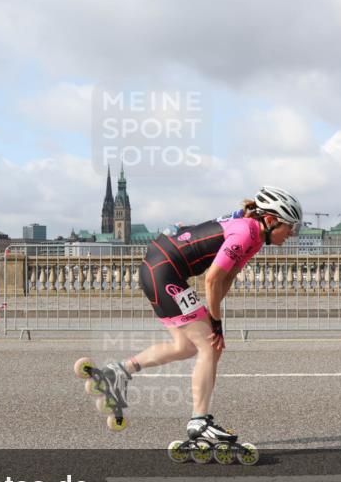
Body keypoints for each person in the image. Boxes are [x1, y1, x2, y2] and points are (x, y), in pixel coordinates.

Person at [101, 186, 303, 454]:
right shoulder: (245, 232)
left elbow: (227, 277)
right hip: (164, 271)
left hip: (163, 269)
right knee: (210, 345)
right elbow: (211, 279)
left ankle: (119, 371)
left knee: (186, 346)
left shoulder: (254, 236)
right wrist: (216, 324)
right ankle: (199, 422)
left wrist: (214, 315)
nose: (291, 234)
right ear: (270, 220)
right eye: (290, 227)